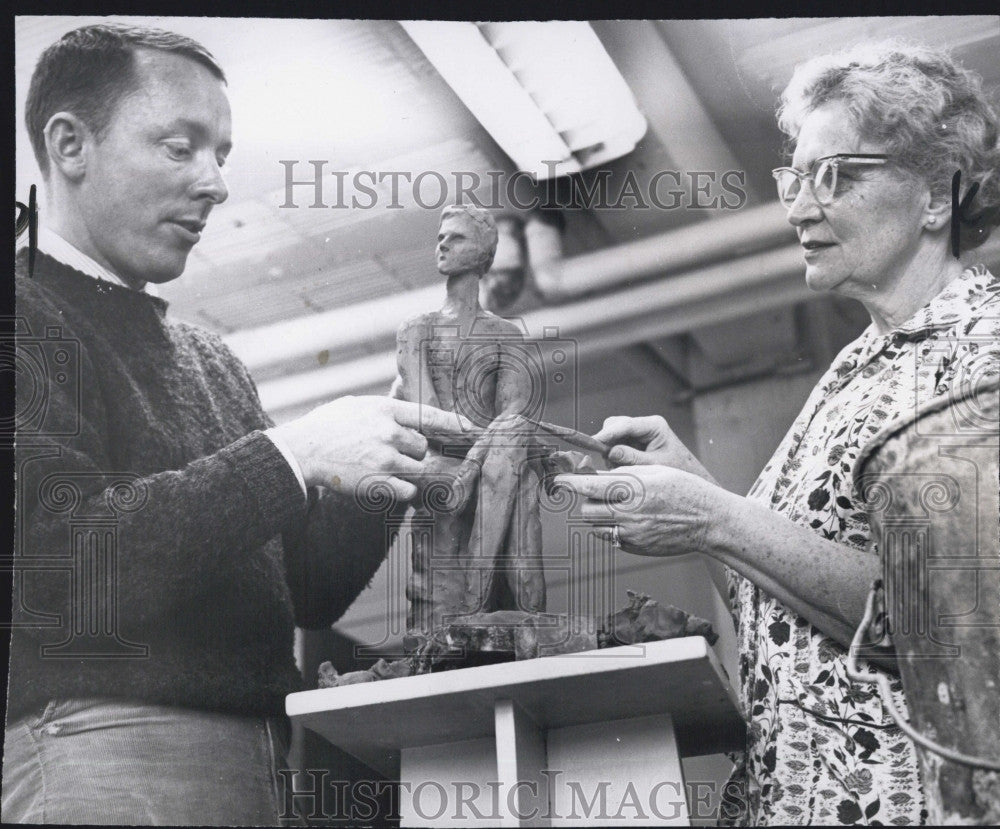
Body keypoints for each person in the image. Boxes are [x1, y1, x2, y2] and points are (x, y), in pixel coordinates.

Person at [5, 23, 463, 825]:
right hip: (102, 752)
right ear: (70, 144)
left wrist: (396, 435)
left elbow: (308, 590)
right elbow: (61, 565)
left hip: (256, 758)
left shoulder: (208, 360)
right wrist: (292, 454)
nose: (215, 183)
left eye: (221, 153)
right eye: (180, 148)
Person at [560, 42, 1000, 825]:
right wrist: (702, 500)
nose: (799, 207)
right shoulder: (858, 366)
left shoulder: (979, 353)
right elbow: (789, 609)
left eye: (838, 175)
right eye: (796, 177)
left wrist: (716, 517)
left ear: (937, 195)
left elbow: (945, 626)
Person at [391, 205, 545, 640]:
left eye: (455, 237)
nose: (442, 242)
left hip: (492, 469)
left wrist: (495, 447)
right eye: (441, 236)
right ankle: (457, 626)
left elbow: (514, 410)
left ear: (482, 255)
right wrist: (490, 446)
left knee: (520, 480)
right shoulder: (416, 330)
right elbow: (429, 418)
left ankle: (512, 619)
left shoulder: (505, 335)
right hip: (440, 469)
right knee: (440, 608)